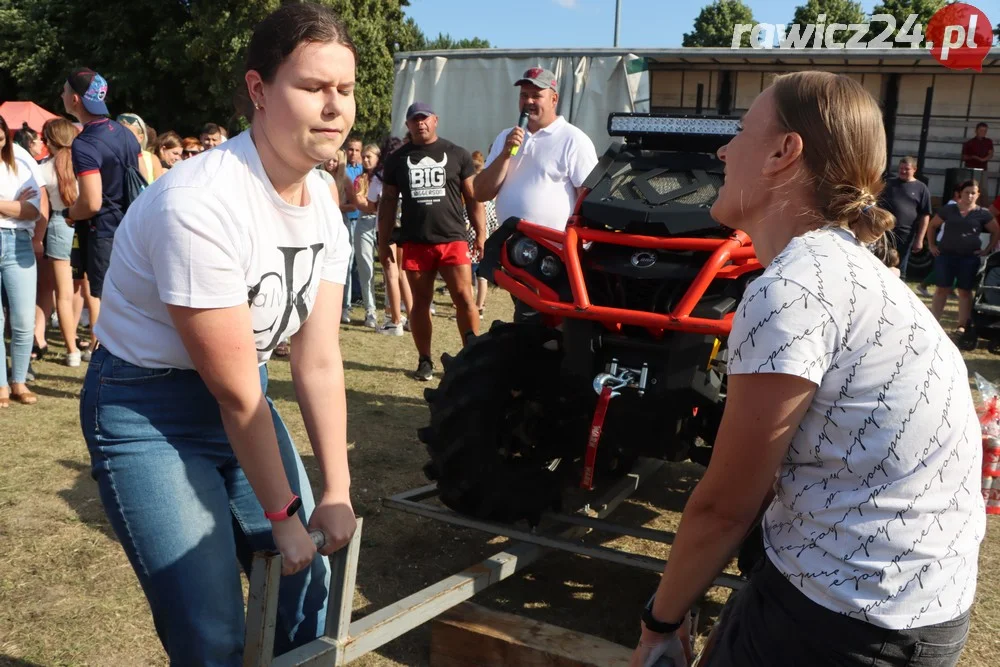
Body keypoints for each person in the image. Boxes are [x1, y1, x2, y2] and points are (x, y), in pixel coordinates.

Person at [629, 72, 985, 667]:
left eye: (740, 133)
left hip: (850, 618)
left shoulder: (793, 290)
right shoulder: (847, 269)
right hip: (904, 603)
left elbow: (725, 507)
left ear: (782, 152)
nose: (722, 151)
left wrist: (658, 622)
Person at [78, 3, 358, 664]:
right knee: (211, 636)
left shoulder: (323, 200)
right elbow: (235, 396)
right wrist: (284, 516)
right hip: (149, 412)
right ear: (259, 91)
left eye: (343, 90)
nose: (333, 107)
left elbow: (317, 359)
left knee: (305, 602)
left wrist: (337, 491)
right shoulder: (199, 203)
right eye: (312, 87)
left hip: (245, 397)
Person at [474, 66, 598, 322]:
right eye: (523, 95)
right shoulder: (505, 138)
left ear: (554, 99)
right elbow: (481, 191)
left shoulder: (573, 140)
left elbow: (590, 198)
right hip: (514, 253)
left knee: (545, 322)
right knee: (529, 320)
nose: (528, 101)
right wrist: (507, 152)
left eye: (536, 95)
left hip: (554, 256)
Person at [378, 103, 485, 380]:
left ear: (435, 120)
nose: (420, 123)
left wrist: (481, 233)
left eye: (424, 118)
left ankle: (472, 359)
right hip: (416, 241)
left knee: (464, 299)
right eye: (414, 119)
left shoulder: (457, 153)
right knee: (420, 303)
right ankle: (425, 360)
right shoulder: (398, 159)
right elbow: (388, 203)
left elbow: (473, 198)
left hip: (453, 239)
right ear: (408, 124)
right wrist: (383, 240)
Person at [60, 67, 142, 321]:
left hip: (104, 234)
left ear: (75, 99)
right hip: (133, 231)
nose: (61, 95)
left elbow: (92, 202)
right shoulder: (125, 134)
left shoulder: (84, 143)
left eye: (64, 91)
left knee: (111, 311)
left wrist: (70, 213)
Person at [40, 118, 93, 366]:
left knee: (62, 293)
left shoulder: (44, 169)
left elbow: (43, 207)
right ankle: (93, 345)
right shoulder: (87, 165)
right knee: (91, 289)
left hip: (59, 223)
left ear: (50, 141)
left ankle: (71, 351)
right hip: (86, 223)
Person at [0, 113, 43, 407]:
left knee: (24, 319)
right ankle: (2, 385)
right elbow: (21, 207)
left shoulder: (22, 159)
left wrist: (14, 208)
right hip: (13, 235)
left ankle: (19, 381)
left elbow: (32, 210)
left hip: (18, 244)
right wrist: (12, 206)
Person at [927, 179, 999, 332]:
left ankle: (962, 325)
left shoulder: (983, 213)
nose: (970, 196)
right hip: (945, 255)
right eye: (967, 192)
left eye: (973, 193)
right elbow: (932, 226)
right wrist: (932, 245)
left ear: (978, 194)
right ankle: (934, 323)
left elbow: (995, 231)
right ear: (961, 193)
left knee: (965, 291)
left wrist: (987, 250)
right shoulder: (949, 209)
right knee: (941, 289)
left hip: (968, 258)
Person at [877, 156, 931, 278]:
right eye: (901, 168)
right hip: (885, 232)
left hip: (905, 235)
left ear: (914, 169)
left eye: (906, 169)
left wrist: (920, 239)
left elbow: (925, 215)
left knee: (900, 269)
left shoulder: (921, 188)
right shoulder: (889, 184)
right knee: (880, 263)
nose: (903, 171)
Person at [117, 113, 164, 183]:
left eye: (129, 134)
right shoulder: (108, 155)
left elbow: (159, 187)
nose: (123, 137)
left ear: (141, 137)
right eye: (119, 133)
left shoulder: (151, 159)